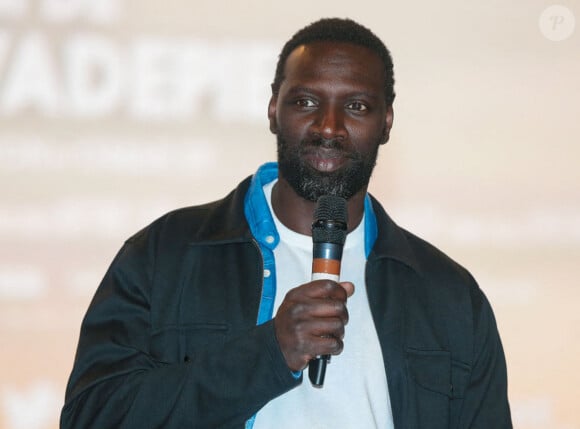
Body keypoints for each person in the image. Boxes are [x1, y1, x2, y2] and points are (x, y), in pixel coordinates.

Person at [60, 18, 512, 429]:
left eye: (356, 106)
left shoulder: (448, 294)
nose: (329, 127)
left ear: (386, 122)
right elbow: (91, 417)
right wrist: (268, 352)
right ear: (274, 109)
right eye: (306, 101)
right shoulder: (165, 254)